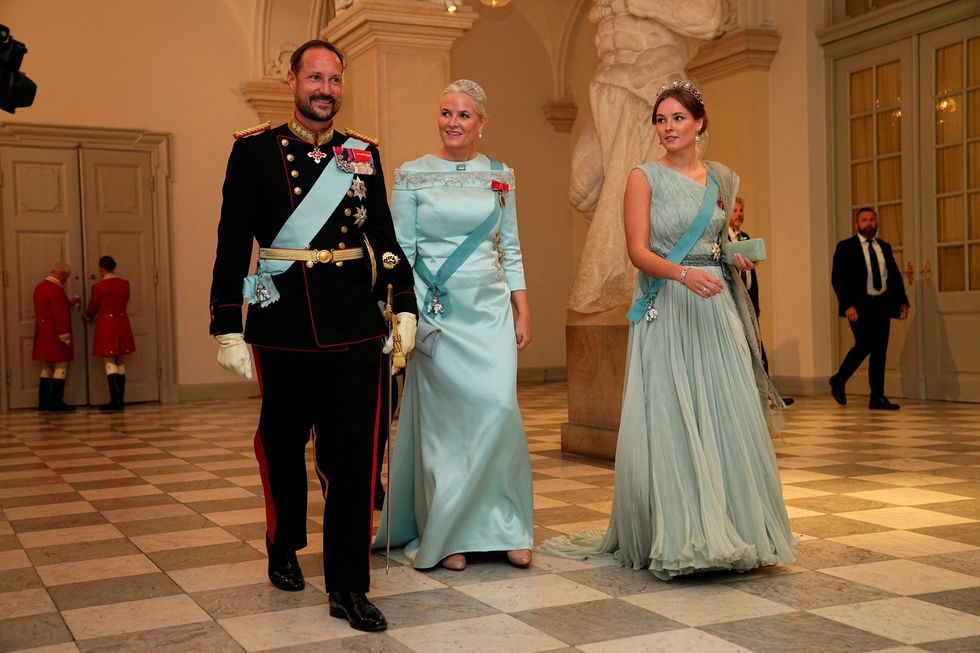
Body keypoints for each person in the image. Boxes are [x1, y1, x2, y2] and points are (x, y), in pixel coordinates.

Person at [541, 80, 795, 579]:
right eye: (661, 119)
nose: (668, 127)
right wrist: (682, 275)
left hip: (715, 307)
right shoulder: (643, 177)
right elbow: (637, 251)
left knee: (725, 412)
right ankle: (682, 533)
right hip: (670, 304)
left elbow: (718, 240)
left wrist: (735, 256)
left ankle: (739, 527)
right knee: (674, 414)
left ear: (699, 123)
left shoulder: (721, 178)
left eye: (678, 118)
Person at [209, 39, 417, 632]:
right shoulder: (254, 150)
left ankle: (348, 587)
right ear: (293, 80)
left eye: (334, 79)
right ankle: (283, 542)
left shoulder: (362, 153)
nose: (325, 89)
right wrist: (227, 324)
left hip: (353, 322)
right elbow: (233, 242)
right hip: (283, 323)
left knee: (354, 458)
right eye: (315, 78)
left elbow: (382, 236)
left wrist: (403, 303)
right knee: (282, 445)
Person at [373, 79, 535, 572]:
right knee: (447, 425)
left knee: (499, 409)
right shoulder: (412, 175)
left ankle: (507, 526)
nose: (453, 122)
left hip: (490, 310)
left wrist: (523, 308)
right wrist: (403, 311)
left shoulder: (501, 176)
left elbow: (510, 247)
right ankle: (449, 532)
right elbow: (400, 251)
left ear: (481, 122)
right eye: (446, 113)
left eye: (464, 114)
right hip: (435, 310)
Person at [830, 207, 909, 410]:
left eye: (872, 219)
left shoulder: (884, 247)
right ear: (857, 224)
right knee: (864, 344)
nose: (868, 223)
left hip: (882, 305)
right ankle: (839, 379)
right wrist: (847, 305)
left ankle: (877, 397)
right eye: (864, 220)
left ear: (876, 223)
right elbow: (838, 279)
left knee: (880, 351)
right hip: (858, 306)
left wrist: (902, 302)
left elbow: (894, 276)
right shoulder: (845, 247)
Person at [728, 199, 794, 406]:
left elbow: (752, 277)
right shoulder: (723, 239)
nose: (739, 214)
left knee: (758, 346)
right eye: (735, 210)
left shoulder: (745, 237)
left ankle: (768, 393)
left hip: (748, 299)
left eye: (741, 210)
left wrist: (755, 304)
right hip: (732, 299)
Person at [82, 255, 136, 411]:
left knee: (109, 361)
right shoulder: (125, 284)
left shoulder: (99, 287)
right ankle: (120, 400)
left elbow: (93, 307)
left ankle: (115, 400)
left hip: (107, 324)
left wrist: (87, 316)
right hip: (122, 322)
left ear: (102, 269)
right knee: (120, 361)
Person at [33, 261, 80, 411]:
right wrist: (66, 338)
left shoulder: (40, 287)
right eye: (67, 277)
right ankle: (56, 401)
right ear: (62, 274)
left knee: (46, 366)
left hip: (43, 332)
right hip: (55, 333)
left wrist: (69, 302)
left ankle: (44, 401)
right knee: (61, 365)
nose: (66, 280)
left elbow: (49, 308)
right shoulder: (56, 290)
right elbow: (60, 315)